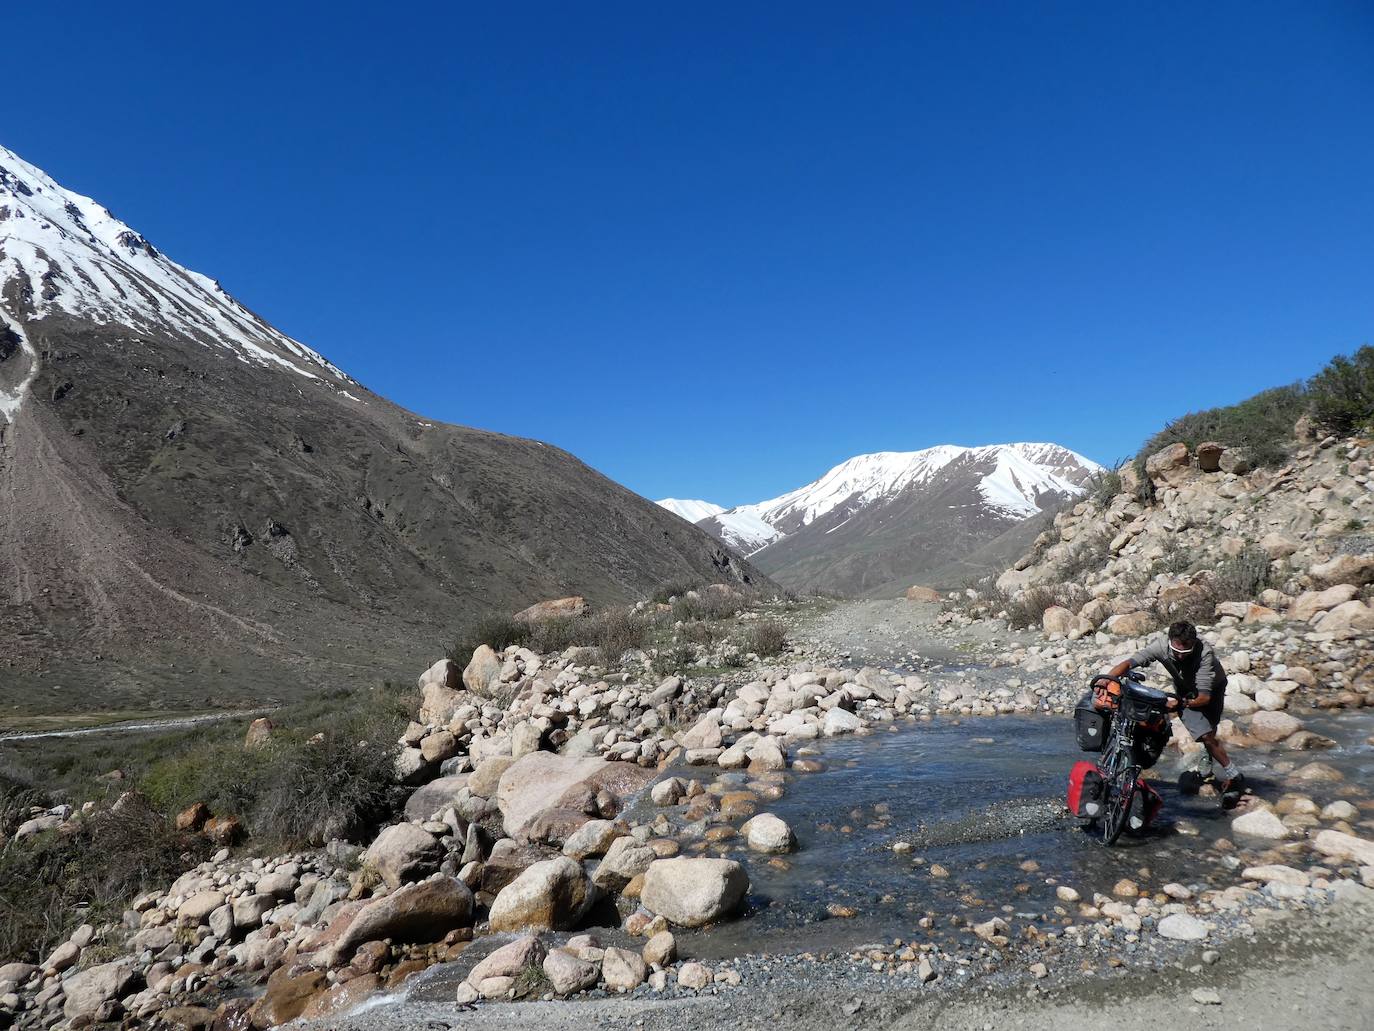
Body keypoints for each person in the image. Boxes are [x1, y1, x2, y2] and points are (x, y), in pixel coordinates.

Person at [1103, 619, 1245, 807]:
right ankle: (1211, 761)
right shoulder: (1161, 646)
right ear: (1170, 641)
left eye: (1185, 652)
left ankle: (1234, 775)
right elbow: (1130, 662)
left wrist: (1180, 703)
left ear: (1193, 644)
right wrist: (1106, 681)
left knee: (1209, 733)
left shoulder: (1205, 655)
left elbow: (1204, 698)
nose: (1179, 656)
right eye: (1176, 651)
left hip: (1212, 689)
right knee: (1203, 734)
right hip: (1183, 687)